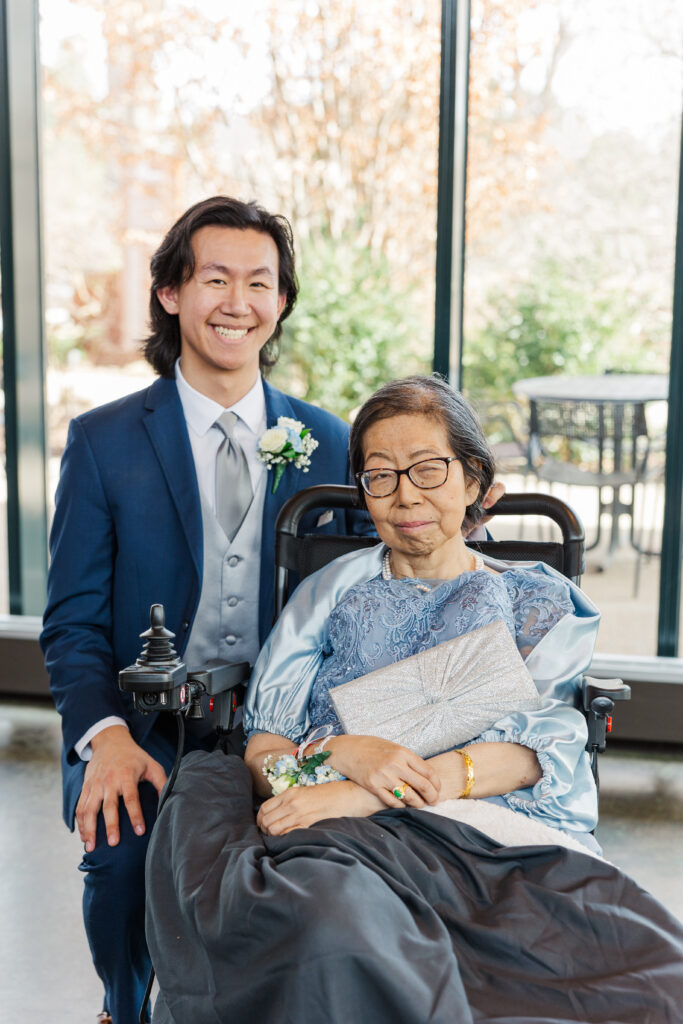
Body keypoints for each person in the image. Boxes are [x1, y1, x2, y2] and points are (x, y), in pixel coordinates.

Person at [144, 375, 683, 1023]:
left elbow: (532, 756)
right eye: (379, 475)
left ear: (475, 481)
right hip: (328, 828)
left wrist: (377, 788)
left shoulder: (536, 600)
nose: (404, 496)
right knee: (333, 928)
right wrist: (345, 752)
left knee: (646, 982)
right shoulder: (328, 592)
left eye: (428, 470)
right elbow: (264, 747)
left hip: (485, 827)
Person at [40, 196, 374, 1024]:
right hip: (142, 722)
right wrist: (106, 738)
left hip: (286, 723)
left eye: (258, 283)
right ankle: (124, 1009)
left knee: (328, 871)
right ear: (171, 294)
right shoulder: (104, 440)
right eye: (214, 278)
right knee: (123, 863)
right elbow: (71, 623)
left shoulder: (329, 440)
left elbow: (370, 594)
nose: (237, 302)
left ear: (282, 302)